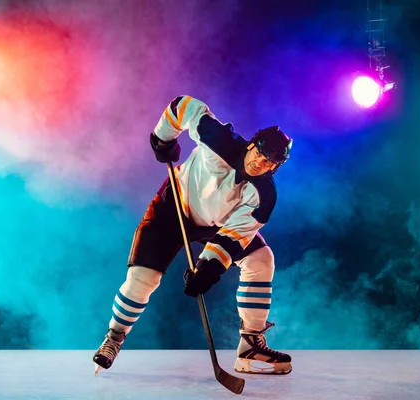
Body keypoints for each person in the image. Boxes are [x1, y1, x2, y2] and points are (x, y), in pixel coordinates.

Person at [93, 95, 293, 375]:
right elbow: (182, 106)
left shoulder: (264, 196)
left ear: (276, 166)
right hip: (171, 209)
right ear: (252, 144)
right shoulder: (218, 138)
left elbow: (234, 235)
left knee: (261, 259)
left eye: (270, 162)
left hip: (214, 225)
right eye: (260, 153)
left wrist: (208, 267)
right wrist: (164, 138)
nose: (261, 162)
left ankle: (250, 344)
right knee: (143, 279)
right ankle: (113, 338)